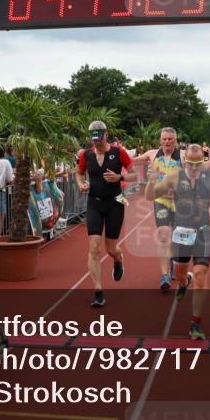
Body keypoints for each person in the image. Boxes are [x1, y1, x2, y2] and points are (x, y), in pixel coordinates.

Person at [153, 143, 210, 340]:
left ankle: (196, 323)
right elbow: (152, 194)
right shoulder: (175, 177)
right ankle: (184, 281)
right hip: (182, 232)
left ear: (202, 162)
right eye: (190, 164)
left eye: (198, 163)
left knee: (201, 274)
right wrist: (152, 184)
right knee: (179, 273)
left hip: (203, 232)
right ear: (185, 161)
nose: (194, 168)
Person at [76, 120, 135, 308]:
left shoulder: (119, 153)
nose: (97, 144)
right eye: (93, 141)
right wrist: (80, 184)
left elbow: (135, 175)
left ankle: (118, 259)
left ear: (106, 135)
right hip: (94, 203)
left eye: (99, 140)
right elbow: (79, 173)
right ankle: (98, 292)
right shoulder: (86, 155)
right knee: (94, 247)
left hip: (115, 203)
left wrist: (121, 177)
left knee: (110, 249)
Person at [135, 127, 184, 291]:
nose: (167, 141)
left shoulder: (182, 156)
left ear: (175, 140)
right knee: (164, 236)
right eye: (164, 139)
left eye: (170, 139)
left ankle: (172, 261)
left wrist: (209, 154)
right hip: (160, 200)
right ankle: (164, 276)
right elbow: (134, 160)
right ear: (160, 140)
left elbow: (202, 163)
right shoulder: (152, 154)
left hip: (179, 202)